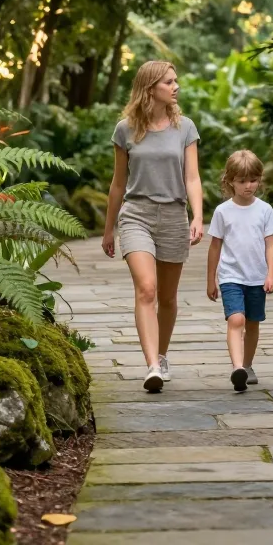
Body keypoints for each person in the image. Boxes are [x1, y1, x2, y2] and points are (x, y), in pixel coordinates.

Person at [102, 61, 204, 392]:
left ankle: (162, 354)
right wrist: (108, 230)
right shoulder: (125, 129)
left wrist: (198, 216)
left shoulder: (185, 127)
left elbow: (192, 177)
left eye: (176, 81)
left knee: (168, 297)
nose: (176, 87)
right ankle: (152, 366)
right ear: (150, 88)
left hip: (174, 215)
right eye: (169, 82)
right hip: (136, 215)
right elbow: (118, 184)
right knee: (147, 288)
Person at [206, 150, 273, 391]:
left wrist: (270, 274)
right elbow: (215, 246)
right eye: (242, 181)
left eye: (253, 180)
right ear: (230, 181)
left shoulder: (265, 210)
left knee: (253, 322)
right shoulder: (223, 212)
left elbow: (270, 244)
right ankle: (237, 367)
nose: (249, 186)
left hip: (257, 277)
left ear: (260, 180)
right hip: (231, 276)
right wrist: (211, 279)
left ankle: (247, 365)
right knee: (236, 319)